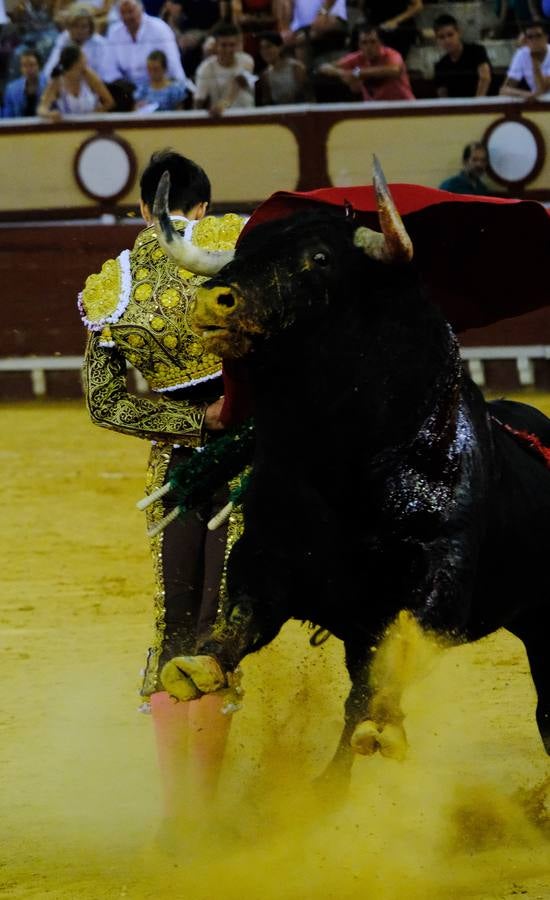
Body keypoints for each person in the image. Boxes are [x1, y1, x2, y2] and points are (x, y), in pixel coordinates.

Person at [79, 149, 247, 834]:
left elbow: (103, 402)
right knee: (218, 624)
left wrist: (185, 423)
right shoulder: (234, 241)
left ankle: (182, 808)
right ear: (202, 208)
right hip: (254, 454)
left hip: (175, 468)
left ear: (143, 209)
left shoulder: (114, 281)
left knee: (174, 623)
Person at [103, 0, 187, 91]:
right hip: (128, 88)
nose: (127, 16)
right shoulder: (114, 32)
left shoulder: (159, 29)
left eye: (131, 11)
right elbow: (109, 69)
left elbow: (171, 66)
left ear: (141, 9)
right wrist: (128, 88)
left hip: (162, 85)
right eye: (123, 13)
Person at [317, 23, 415, 101]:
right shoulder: (356, 57)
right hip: (374, 111)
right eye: (364, 43)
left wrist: (357, 73)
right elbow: (324, 67)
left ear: (380, 43)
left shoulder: (392, 54)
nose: (369, 47)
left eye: (373, 42)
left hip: (403, 106)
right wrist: (343, 73)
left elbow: (394, 70)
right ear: (359, 45)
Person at [37, 42, 114, 118]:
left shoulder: (90, 76)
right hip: (69, 128)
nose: (86, 59)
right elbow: (41, 109)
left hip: (92, 125)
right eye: (83, 56)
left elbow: (109, 102)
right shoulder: (57, 82)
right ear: (76, 63)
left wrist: (94, 114)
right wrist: (50, 114)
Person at [194, 21, 255, 114]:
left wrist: (223, 105)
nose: (228, 50)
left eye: (232, 45)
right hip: (219, 118)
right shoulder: (204, 68)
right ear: (215, 46)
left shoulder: (246, 60)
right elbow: (198, 101)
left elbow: (238, 84)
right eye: (223, 45)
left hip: (246, 114)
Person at [43, 3, 109, 81]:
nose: (79, 31)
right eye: (75, 26)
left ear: (90, 28)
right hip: (66, 83)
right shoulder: (64, 39)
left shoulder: (100, 43)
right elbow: (48, 71)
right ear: (69, 28)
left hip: (93, 84)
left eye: (84, 27)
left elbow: (105, 74)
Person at [433, 13, 492, 98]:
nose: (447, 40)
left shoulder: (477, 51)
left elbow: (485, 78)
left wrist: (476, 106)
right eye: (441, 37)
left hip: (485, 105)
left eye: (450, 35)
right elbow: (443, 97)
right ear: (437, 39)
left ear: (459, 33)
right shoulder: (440, 66)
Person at [500, 19, 550, 99]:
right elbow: (504, 90)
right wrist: (525, 94)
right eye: (530, 37)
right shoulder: (522, 54)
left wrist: (534, 62)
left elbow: (543, 89)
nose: (534, 40)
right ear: (526, 39)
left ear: (546, 37)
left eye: (538, 36)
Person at [258, 30, 308, 104]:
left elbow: (307, 95)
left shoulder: (296, 68)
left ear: (280, 47)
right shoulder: (265, 75)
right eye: (262, 48)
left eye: (269, 47)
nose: (265, 51)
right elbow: (267, 101)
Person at [2, 48, 46, 116]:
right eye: (24, 65)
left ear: (39, 66)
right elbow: (7, 117)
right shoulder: (11, 89)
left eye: (32, 65)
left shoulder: (49, 85)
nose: (28, 69)